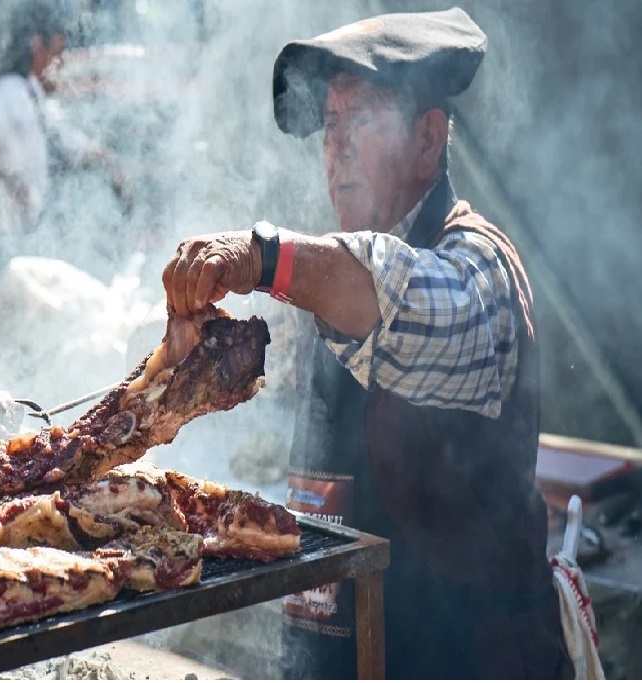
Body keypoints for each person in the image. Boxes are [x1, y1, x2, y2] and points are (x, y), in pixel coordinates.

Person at [161, 8, 570, 680]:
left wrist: (260, 256)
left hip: (455, 658)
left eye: (363, 119)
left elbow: (394, 290)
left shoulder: (478, 271)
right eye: (330, 125)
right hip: (333, 651)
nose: (336, 145)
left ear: (428, 141)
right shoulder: (330, 282)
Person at [0, 0, 132, 269]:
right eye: (58, 51)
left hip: (27, 242)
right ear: (37, 47)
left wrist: (107, 160)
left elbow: (65, 141)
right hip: (9, 247)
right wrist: (18, 189)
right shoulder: (10, 92)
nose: (61, 62)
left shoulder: (30, 96)